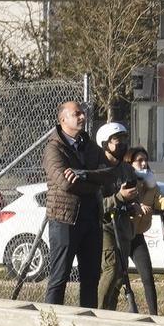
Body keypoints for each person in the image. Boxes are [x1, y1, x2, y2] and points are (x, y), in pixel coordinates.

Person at [42, 101, 116, 307]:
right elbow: (65, 183)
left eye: (82, 114)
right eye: (77, 114)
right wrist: (94, 182)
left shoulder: (90, 146)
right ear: (63, 119)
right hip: (64, 219)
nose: (82, 117)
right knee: (59, 277)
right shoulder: (53, 149)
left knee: (91, 278)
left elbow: (110, 175)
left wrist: (83, 174)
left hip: (92, 218)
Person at [125, 147, 164, 315]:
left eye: (145, 160)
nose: (143, 164)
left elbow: (160, 199)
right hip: (121, 235)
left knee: (148, 276)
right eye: (139, 161)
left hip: (137, 236)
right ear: (130, 163)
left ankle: (154, 314)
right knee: (116, 276)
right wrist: (135, 207)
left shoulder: (151, 185)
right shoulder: (125, 181)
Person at [95, 122, 143, 311]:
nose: (122, 145)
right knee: (111, 268)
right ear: (105, 143)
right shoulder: (98, 168)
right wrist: (119, 197)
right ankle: (99, 311)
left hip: (123, 226)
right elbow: (97, 203)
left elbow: (133, 196)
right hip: (105, 225)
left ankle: (110, 313)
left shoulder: (127, 169)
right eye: (117, 141)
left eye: (124, 140)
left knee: (120, 275)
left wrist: (134, 205)